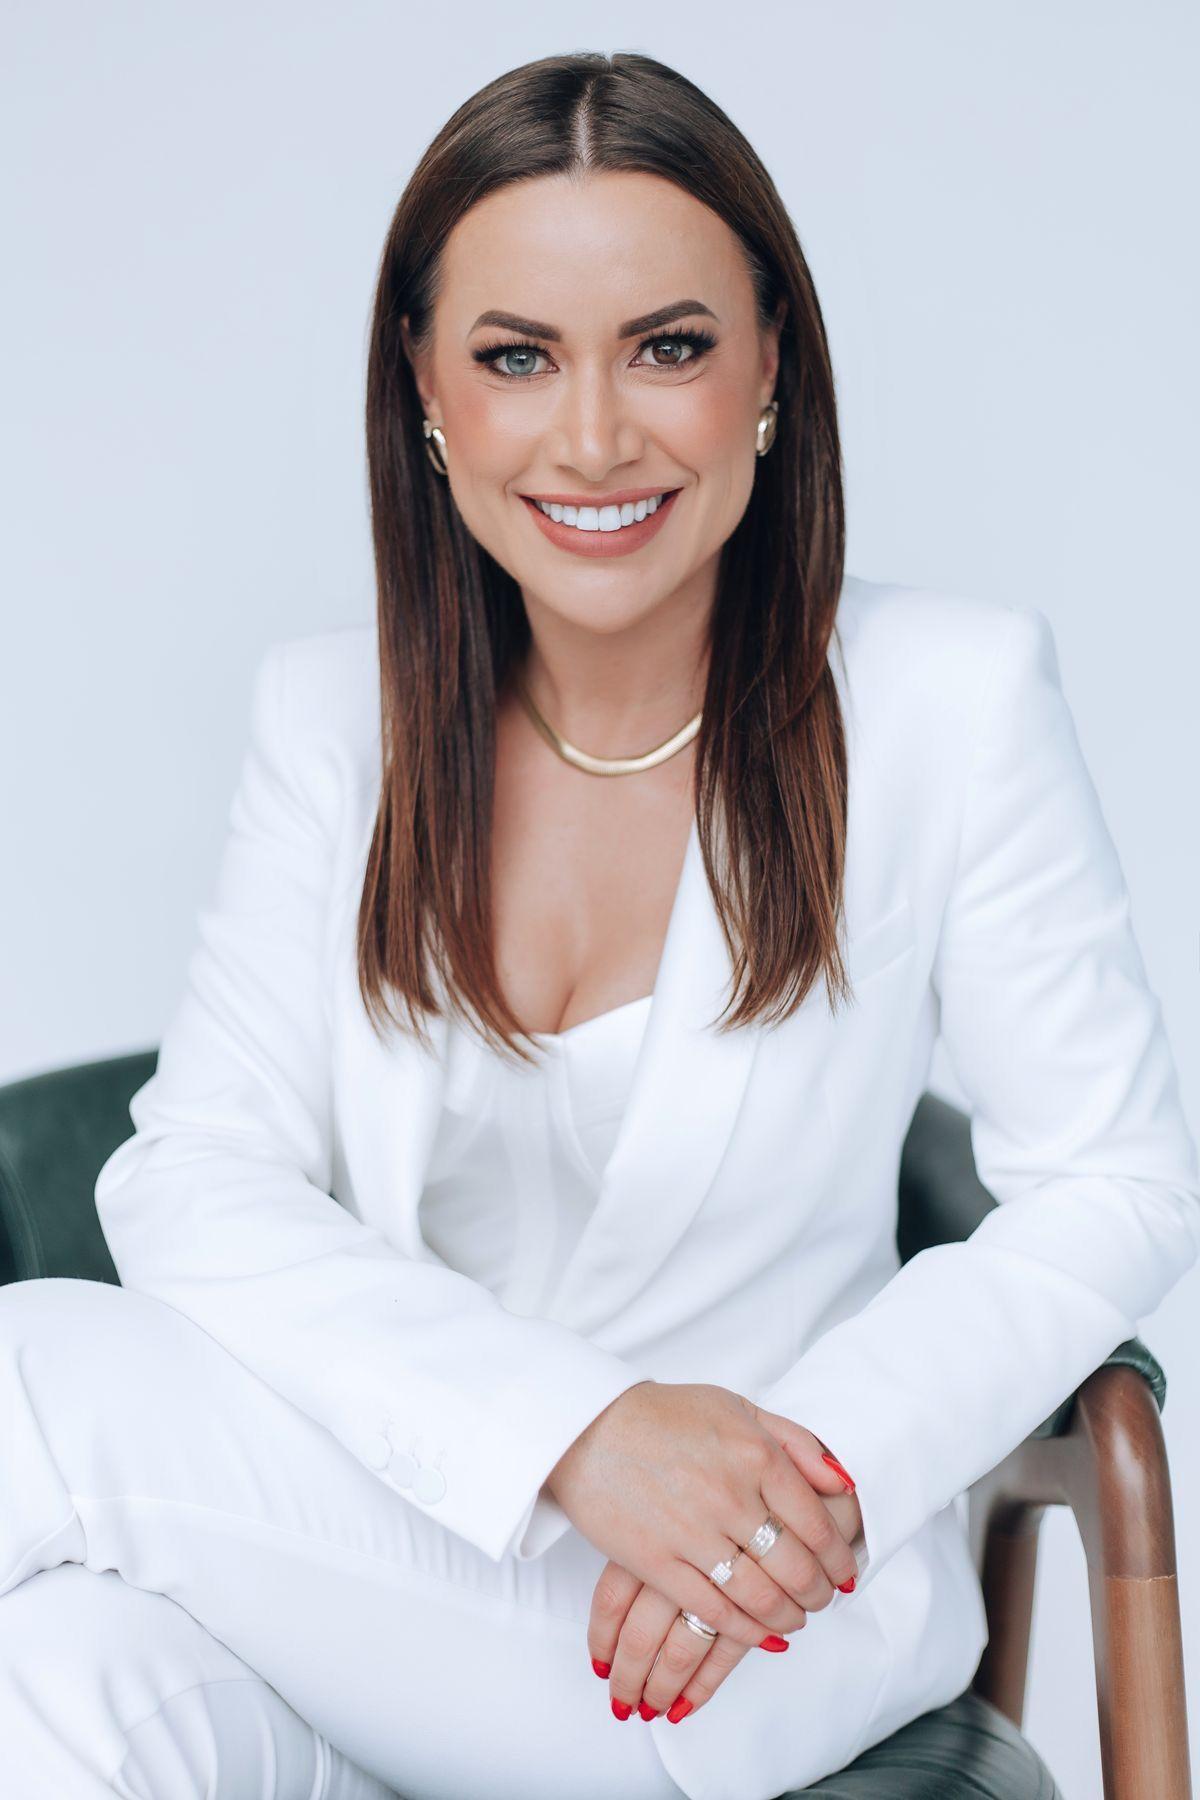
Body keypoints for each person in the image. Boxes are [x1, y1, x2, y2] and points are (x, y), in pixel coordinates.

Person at [2, 47, 1197, 1800]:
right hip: (399, 1572)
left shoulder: (948, 700)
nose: (592, 437)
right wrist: (572, 1435)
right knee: (49, 1678)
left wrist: (812, 1474)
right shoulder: (336, 722)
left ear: (772, 365)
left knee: (26, 1371)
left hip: (745, 1619)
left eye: (669, 347)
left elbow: (1111, 1184)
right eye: (516, 358)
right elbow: (192, 1179)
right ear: (424, 391)